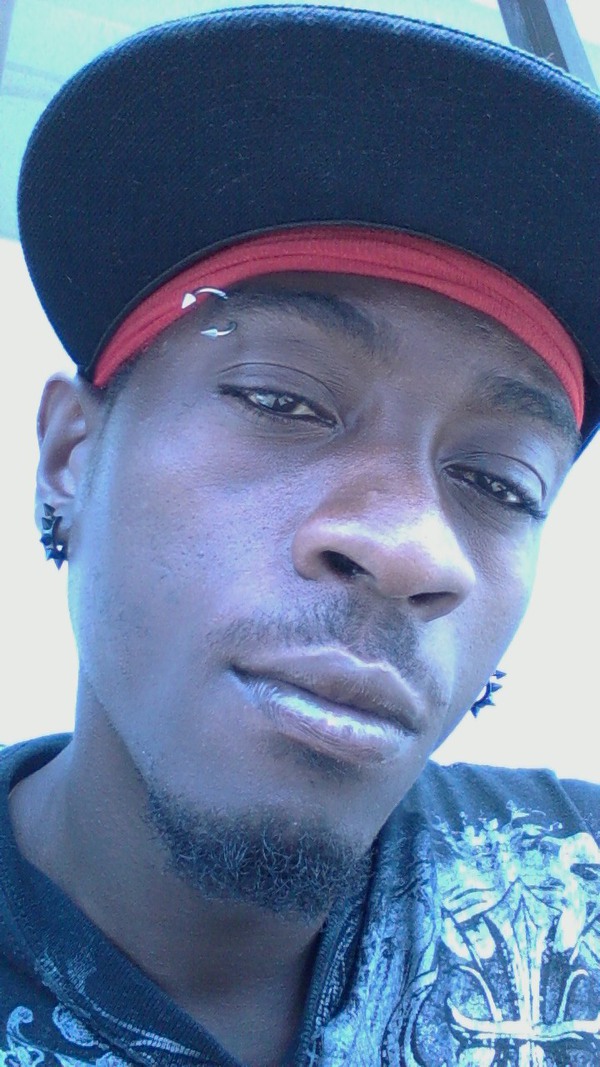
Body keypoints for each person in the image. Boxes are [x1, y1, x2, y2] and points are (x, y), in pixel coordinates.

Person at [2, 5, 599, 1065]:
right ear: (71, 455)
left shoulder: (576, 885)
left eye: (498, 484)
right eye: (281, 400)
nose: (413, 547)